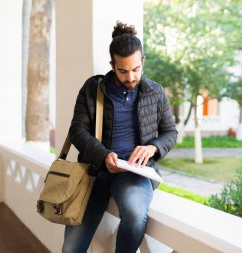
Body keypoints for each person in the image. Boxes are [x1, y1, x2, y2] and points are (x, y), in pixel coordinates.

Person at [62, 21, 177, 253]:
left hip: (133, 174)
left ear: (143, 61)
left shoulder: (155, 92)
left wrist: (152, 148)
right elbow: (77, 129)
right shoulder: (93, 89)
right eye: (123, 71)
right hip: (93, 172)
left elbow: (170, 132)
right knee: (71, 248)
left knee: (135, 216)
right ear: (112, 65)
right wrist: (104, 156)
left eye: (136, 69)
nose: (131, 77)